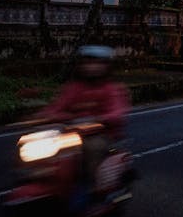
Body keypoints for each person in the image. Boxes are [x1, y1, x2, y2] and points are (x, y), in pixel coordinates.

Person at [38, 44, 130, 201]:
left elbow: (117, 112)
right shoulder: (73, 88)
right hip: (71, 133)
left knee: (92, 148)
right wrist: (43, 117)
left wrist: (100, 120)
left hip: (101, 134)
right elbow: (57, 107)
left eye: (96, 63)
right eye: (87, 62)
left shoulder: (112, 89)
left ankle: (93, 186)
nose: (91, 67)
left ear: (106, 66)